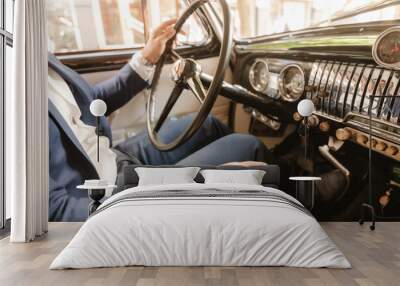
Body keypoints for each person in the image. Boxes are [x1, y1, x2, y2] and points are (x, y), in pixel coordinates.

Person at [49, 19, 274, 222]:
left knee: (208, 125)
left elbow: (93, 102)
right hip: (110, 190)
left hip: (113, 156)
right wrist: (158, 194)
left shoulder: (39, 58)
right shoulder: (17, 95)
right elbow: (55, 209)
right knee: (248, 146)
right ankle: (293, 203)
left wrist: (146, 58)